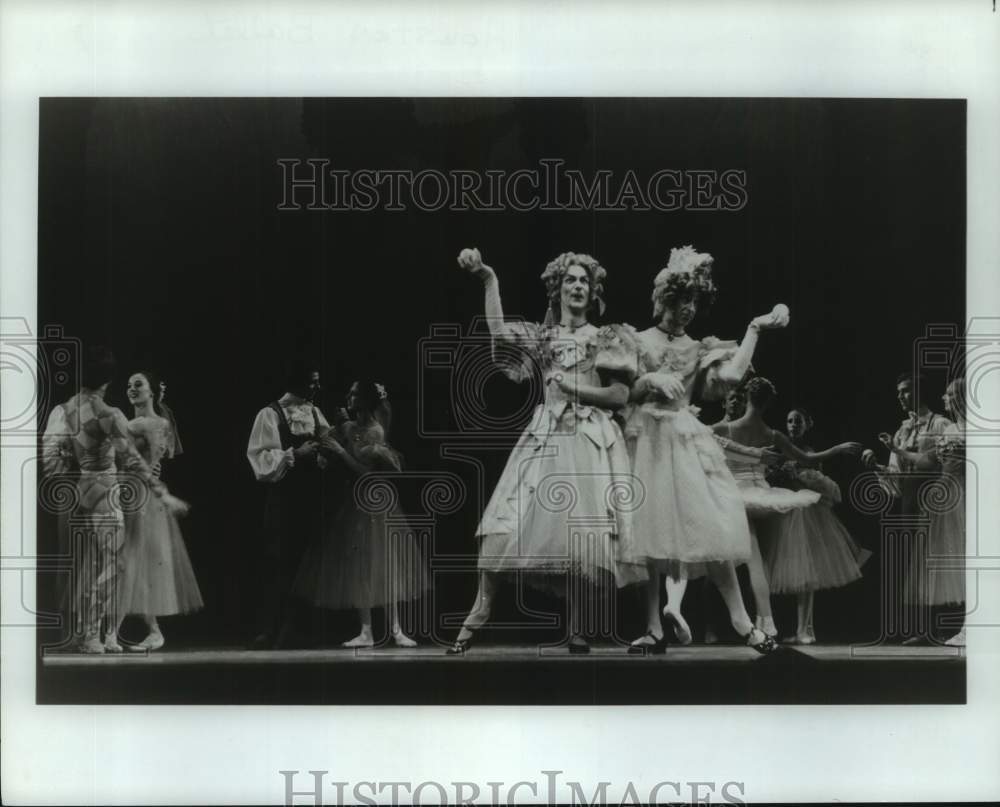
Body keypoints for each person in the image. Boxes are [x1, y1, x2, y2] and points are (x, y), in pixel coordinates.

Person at [447, 247, 642, 654]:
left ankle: (577, 628)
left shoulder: (607, 336)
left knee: (582, 536)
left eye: (585, 281)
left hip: (589, 437)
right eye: (570, 280)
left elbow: (619, 395)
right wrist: (488, 277)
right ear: (557, 289)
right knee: (504, 520)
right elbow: (499, 332)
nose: (578, 286)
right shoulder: (544, 335)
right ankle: (478, 612)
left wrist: (573, 387)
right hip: (546, 434)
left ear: (594, 291)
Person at [616, 245, 788, 655]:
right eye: (682, 300)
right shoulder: (636, 340)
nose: (688, 309)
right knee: (647, 536)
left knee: (712, 526)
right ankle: (653, 628)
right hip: (647, 441)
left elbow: (731, 375)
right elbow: (624, 393)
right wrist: (650, 380)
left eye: (694, 301)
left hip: (684, 442)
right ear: (665, 299)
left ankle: (743, 623)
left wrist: (755, 328)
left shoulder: (699, 347)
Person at [40, 346, 185, 653]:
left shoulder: (66, 409)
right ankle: (93, 636)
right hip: (105, 491)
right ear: (107, 380)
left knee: (88, 562)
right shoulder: (109, 414)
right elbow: (131, 458)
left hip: (81, 488)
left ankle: (83, 632)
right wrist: (163, 493)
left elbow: (54, 455)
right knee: (111, 564)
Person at [712, 377, 861, 639]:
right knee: (757, 562)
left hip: (735, 495)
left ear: (747, 398)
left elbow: (701, 440)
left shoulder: (724, 428)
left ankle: (761, 621)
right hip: (762, 495)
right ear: (768, 404)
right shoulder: (772, 434)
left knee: (745, 560)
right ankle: (765, 620)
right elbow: (808, 459)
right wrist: (838, 449)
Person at [293, 381, 428, 647]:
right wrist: (325, 453)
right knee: (360, 568)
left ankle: (396, 629)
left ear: (365, 400)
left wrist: (340, 451)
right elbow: (327, 444)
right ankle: (366, 630)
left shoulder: (376, 431)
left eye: (354, 393)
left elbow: (366, 472)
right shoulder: (347, 427)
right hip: (354, 503)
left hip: (377, 502)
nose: (349, 396)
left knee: (385, 565)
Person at [759, 407, 872, 643]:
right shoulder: (778, 447)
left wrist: (798, 475)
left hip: (805, 516)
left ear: (807, 424)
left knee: (806, 575)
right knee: (778, 573)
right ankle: (786, 627)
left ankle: (805, 629)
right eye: (789, 421)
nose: (793, 425)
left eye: (798, 421)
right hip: (783, 513)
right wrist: (778, 473)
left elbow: (819, 483)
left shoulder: (810, 451)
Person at [113, 371, 203, 651]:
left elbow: (149, 460)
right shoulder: (131, 423)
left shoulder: (151, 423)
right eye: (128, 385)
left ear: (152, 391)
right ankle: (152, 631)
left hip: (140, 495)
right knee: (130, 563)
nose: (131, 389)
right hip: (127, 492)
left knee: (131, 561)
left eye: (138, 384)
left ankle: (114, 633)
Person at [863, 372, 954, 643]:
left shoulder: (940, 424)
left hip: (933, 499)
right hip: (909, 502)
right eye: (899, 392)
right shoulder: (902, 430)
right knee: (913, 562)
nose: (900, 396)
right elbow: (896, 475)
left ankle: (938, 628)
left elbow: (943, 463)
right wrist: (876, 466)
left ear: (919, 392)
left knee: (933, 562)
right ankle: (921, 629)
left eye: (905, 390)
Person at [246, 360, 331, 649]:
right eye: (312, 381)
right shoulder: (270, 414)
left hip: (312, 498)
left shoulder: (315, 412)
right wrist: (296, 453)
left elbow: (328, 446)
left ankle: (302, 631)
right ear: (297, 382)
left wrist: (324, 454)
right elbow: (260, 459)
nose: (317, 387)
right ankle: (271, 630)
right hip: (284, 499)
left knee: (309, 565)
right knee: (280, 562)